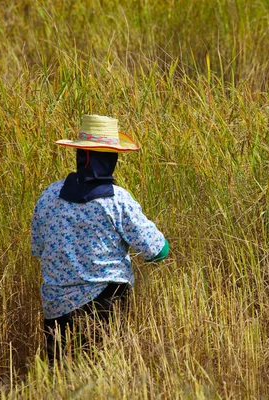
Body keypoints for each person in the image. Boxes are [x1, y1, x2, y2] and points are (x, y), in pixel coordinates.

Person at [31, 114, 169, 362]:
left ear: (79, 154)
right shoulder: (117, 201)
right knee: (102, 375)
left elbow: (38, 248)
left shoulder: (49, 196)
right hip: (105, 305)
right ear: (110, 159)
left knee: (61, 377)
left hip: (55, 308)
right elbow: (157, 251)